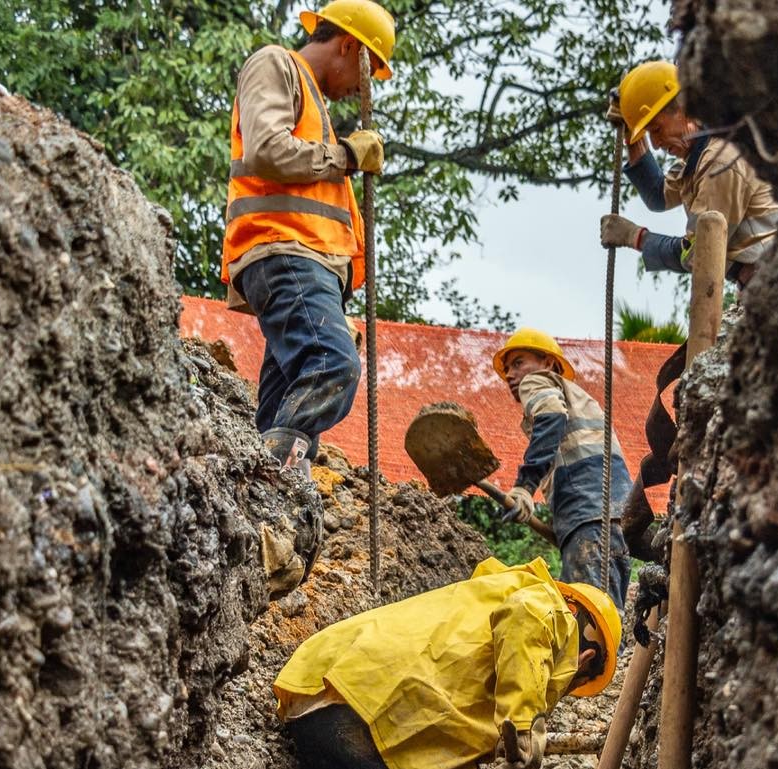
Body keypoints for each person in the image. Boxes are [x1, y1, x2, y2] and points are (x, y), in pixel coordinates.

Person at [221, 0, 395, 478]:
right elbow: (265, 150)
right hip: (285, 251)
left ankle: (262, 507)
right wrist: (344, 156)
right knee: (332, 364)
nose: (359, 89)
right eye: (364, 74)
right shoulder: (277, 64)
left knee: (283, 401)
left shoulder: (314, 101)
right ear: (348, 47)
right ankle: (271, 481)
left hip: (302, 261)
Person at [274, 557, 622, 769]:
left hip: (318, 694)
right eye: (572, 686)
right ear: (584, 659)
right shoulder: (546, 607)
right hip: (359, 711)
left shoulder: (484, 603)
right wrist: (524, 730)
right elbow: (525, 620)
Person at [599, 60, 778, 290]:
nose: (655, 145)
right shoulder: (698, 154)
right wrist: (631, 135)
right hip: (761, 281)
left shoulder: (720, 162)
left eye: (656, 130)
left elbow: (698, 254)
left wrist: (634, 237)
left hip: (775, 281)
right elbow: (658, 194)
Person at [493, 328, 632, 611]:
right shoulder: (580, 400)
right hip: (610, 514)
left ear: (547, 362)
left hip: (587, 511)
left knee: (590, 617)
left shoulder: (538, 382)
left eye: (518, 362)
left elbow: (551, 419)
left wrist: (525, 487)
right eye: (507, 369)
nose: (510, 374)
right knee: (605, 614)